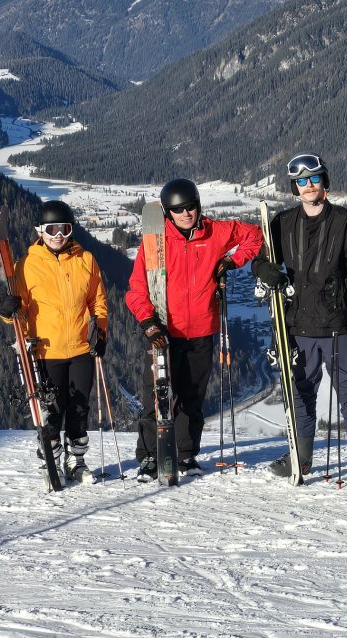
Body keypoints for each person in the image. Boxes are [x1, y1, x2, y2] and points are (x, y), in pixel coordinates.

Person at [249, 153, 347, 481]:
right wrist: (269, 273)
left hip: (338, 327)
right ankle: (300, 457)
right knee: (300, 392)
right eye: (302, 181)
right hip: (297, 325)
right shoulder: (282, 223)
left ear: (325, 183)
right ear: (295, 187)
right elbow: (259, 261)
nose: (308, 186)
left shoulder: (345, 222)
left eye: (314, 179)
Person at [125, 178, 262, 479]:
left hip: (201, 330)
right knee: (156, 398)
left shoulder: (215, 232)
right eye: (178, 210)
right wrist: (148, 321)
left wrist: (231, 260)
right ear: (167, 213)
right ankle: (150, 456)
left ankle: (186, 456)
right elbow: (136, 289)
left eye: (191, 207)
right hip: (164, 332)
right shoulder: (155, 242)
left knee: (192, 397)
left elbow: (255, 235)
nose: (187, 214)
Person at [0, 199, 109, 482]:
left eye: (65, 229)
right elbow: (17, 314)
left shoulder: (86, 260)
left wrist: (102, 331)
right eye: (52, 229)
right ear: (40, 230)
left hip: (81, 348)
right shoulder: (26, 265)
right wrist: (6, 312)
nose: (58, 235)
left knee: (79, 408)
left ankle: (77, 462)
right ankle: (52, 461)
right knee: (52, 411)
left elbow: (98, 301)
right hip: (46, 351)